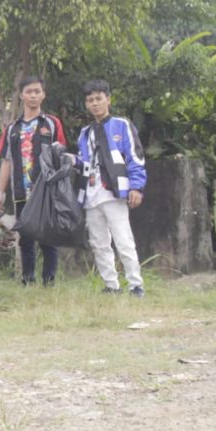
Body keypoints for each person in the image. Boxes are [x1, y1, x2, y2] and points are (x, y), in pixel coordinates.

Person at [76, 80, 148, 297]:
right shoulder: (85, 133)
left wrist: (136, 187)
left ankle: (135, 285)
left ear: (108, 99)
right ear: (86, 104)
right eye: (90, 100)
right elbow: (83, 162)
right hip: (91, 193)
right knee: (98, 242)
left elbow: (135, 157)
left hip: (114, 192)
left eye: (99, 99)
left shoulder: (122, 125)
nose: (95, 104)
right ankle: (111, 285)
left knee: (123, 239)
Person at [0, 77, 67, 286]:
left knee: (48, 238)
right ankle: (28, 281)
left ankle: (49, 282)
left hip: (45, 191)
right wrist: (0, 193)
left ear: (43, 95)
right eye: (29, 91)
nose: (33, 95)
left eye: (37, 91)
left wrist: (60, 189)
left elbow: (61, 155)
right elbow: (6, 161)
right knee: (25, 239)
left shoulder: (52, 123)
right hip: (20, 192)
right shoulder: (12, 128)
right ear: (21, 95)